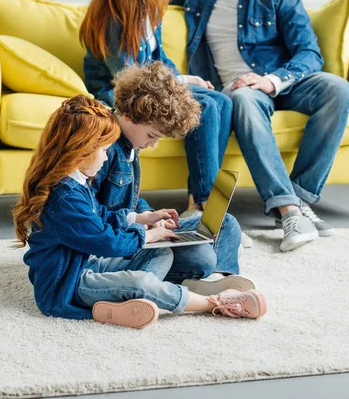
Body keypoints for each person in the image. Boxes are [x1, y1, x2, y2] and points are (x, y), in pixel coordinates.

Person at [170, 0, 349, 252]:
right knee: (242, 97)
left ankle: (298, 202)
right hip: (240, 92)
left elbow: (310, 54)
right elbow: (146, 0)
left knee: (339, 89)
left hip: (280, 82)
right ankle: (289, 209)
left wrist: (271, 80)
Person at [12, 82, 266, 328]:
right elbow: (104, 240)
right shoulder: (68, 194)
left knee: (166, 251)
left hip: (86, 262)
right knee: (141, 281)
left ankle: (130, 297)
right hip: (67, 284)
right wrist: (145, 235)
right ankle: (213, 302)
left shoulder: (77, 183)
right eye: (101, 150)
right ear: (81, 152)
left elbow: (98, 214)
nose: (105, 154)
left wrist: (140, 218)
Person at [79, 0, 233, 210]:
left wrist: (185, 79)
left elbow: (157, 58)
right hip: (121, 92)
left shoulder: (151, 3)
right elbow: (128, 78)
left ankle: (198, 201)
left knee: (222, 101)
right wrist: (177, 85)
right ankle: (204, 205)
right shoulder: (116, 10)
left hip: (149, 86)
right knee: (208, 106)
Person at [92, 61, 252, 296]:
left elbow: (128, 198)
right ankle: (204, 276)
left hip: (138, 230)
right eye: (152, 135)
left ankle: (218, 279)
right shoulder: (102, 150)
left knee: (226, 223)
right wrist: (141, 223)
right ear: (129, 114)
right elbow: (91, 213)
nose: (153, 145)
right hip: (120, 241)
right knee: (202, 256)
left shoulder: (131, 145)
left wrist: (154, 216)